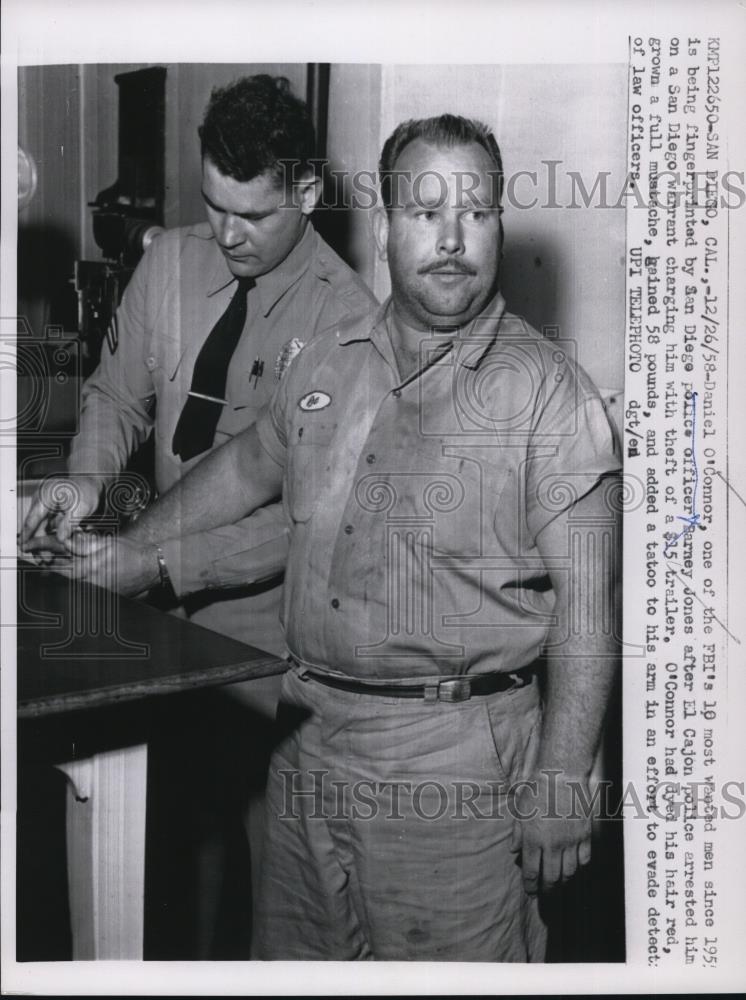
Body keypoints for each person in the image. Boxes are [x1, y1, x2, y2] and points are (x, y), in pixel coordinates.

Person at [38, 114, 621, 961]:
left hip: (450, 769)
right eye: (425, 213)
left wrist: (566, 779)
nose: (453, 239)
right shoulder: (330, 359)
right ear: (384, 229)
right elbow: (245, 468)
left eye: (477, 212)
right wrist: (132, 549)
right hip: (306, 739)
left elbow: (590, 604)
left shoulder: (548, 396)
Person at [20, 73, 376, 958]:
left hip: (264, 629)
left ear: (304, 191)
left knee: (272, 874)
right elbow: (114, 396)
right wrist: (84, 482)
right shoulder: (173, 260)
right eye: (213, 205)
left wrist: (169, 566)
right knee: (159, 838)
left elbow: (304, 515)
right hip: (148, 591)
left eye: (250, 216)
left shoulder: (348, 320)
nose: (227, 235)